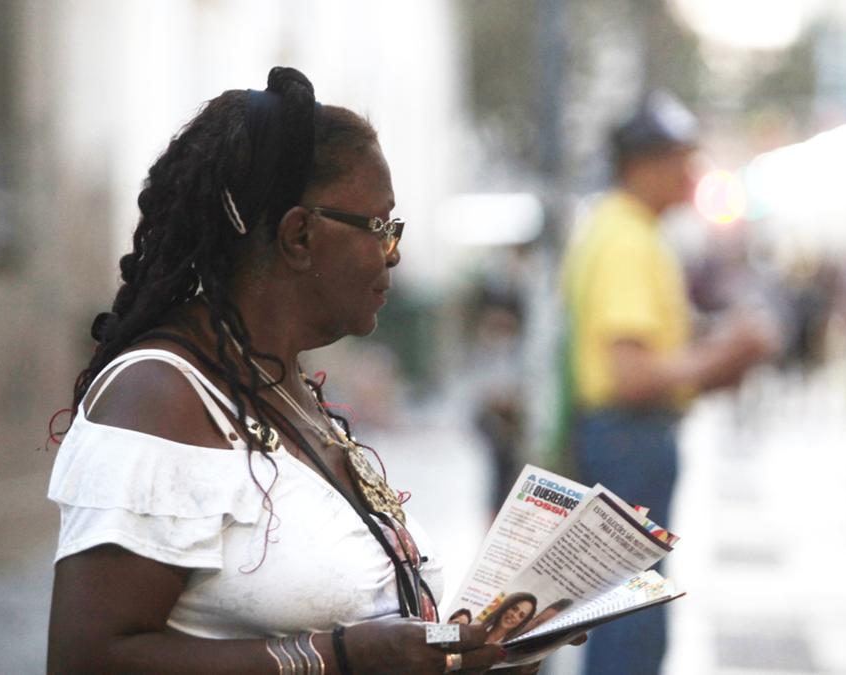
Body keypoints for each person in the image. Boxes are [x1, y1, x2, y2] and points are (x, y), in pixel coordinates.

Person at [46, 66, 537, 674]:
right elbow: (87, 660)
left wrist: (481, 653)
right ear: (300, 234)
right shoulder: (158, 397)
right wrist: (338, 658)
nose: (396, 252)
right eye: (381, 227)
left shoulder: (287, 385)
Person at [560, 91, 778, 675]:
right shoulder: (626, 238)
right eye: (682, 158)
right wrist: (724, 352)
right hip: (626, 437)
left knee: (629, 605)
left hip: (629, 437)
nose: (692, 172)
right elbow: (631, 375)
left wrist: (715, 359)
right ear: (645, 165)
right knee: (630, 619)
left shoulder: (628, 230)